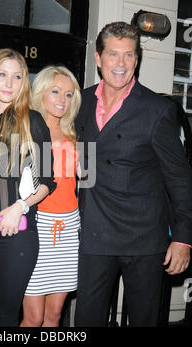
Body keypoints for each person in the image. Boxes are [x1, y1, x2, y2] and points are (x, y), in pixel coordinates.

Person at [74, 21, 192, 327]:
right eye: (113, 55)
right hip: (95, 233)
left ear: (136, 59)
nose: (121, 64)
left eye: (129, 55)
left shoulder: (157, 109)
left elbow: (179, 177)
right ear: (98, 58)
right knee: (87, 319)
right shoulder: (80, 102)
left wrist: (182, 238)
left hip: (144, 238)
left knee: (143, 320)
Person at [0, 48, 56, 327]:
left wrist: (21, 206)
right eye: (2, 75)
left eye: (17, 77)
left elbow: (48, 181)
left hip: (14, 235)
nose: (8, 83)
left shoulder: (33, 122)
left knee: (5, 317)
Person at [21, 66, 81, 327]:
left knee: (54, 316)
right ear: (41, 92)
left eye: (69, 95)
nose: (62, 100)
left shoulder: (73, 136)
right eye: (55, 91)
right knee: (33, 318)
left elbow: (80, 185)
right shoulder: (26, 130)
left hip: (69, 229)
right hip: (38, 228)